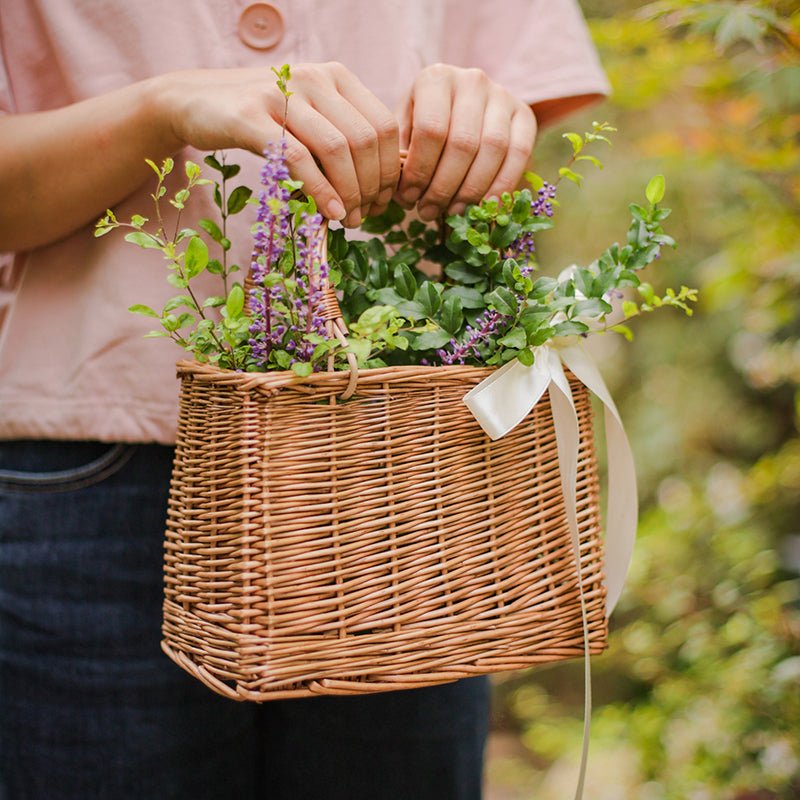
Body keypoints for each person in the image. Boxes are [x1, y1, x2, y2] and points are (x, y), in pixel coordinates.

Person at [0, 1, 608, 798]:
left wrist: (479, 131)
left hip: (399, 481)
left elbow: (513, 165)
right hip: (87, 465)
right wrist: (162, 108)